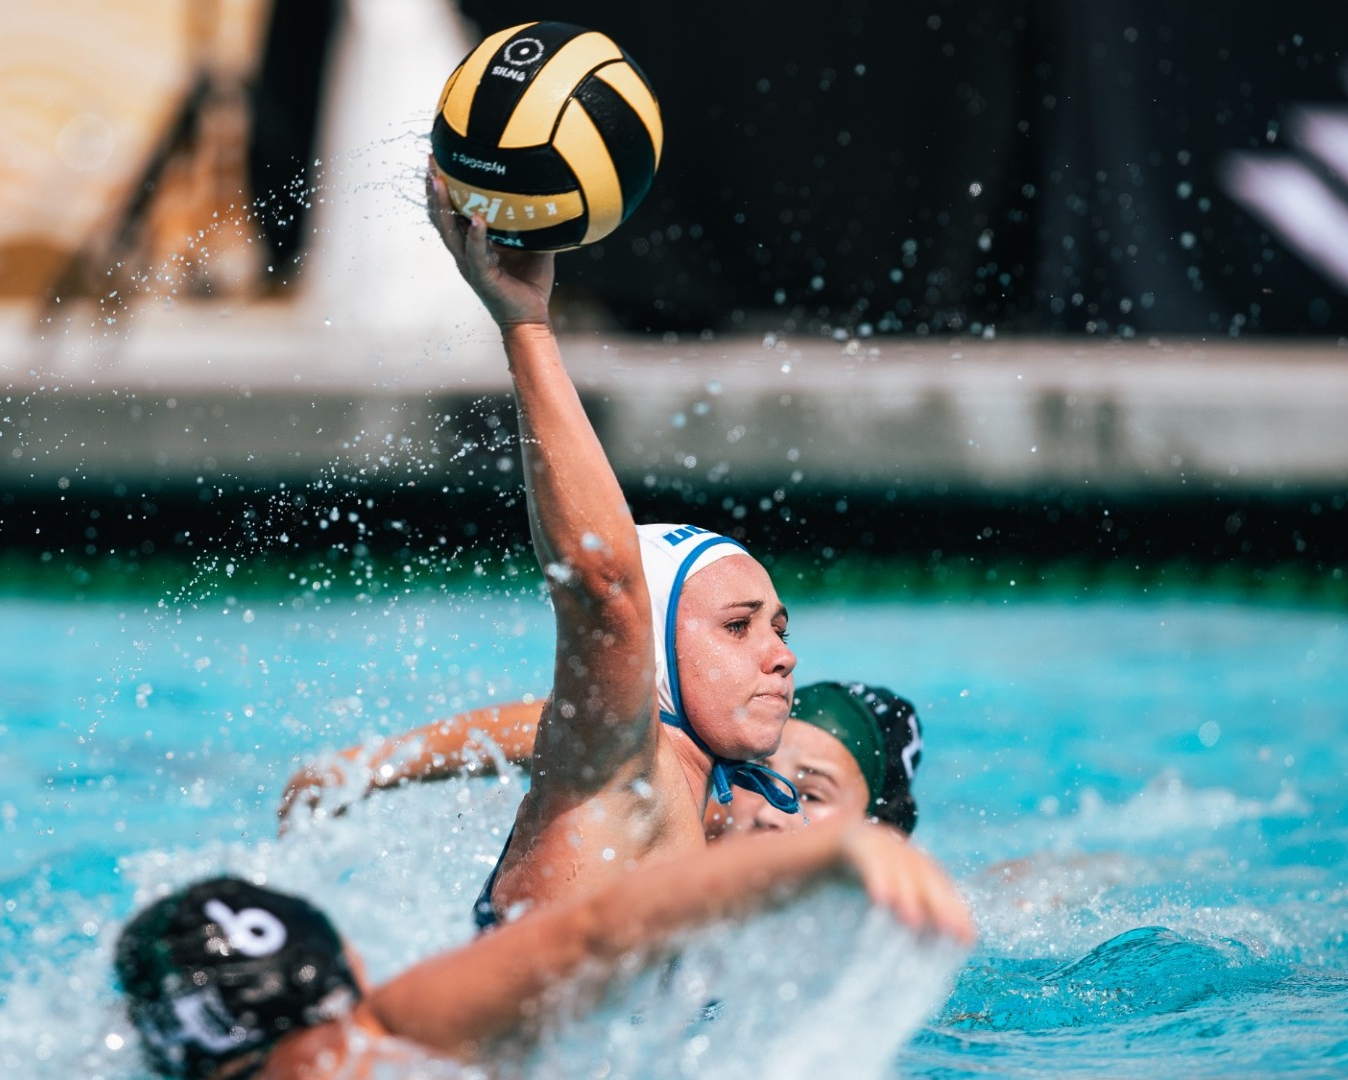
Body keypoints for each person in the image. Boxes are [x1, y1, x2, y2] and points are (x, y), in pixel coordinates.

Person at [421, 163, 801, 930]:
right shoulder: (624, 775)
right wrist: (525, 324)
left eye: (779, 628)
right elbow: (604, 585)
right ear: (648, 652)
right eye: (738, 626)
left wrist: (382, 765)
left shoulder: (704, 800)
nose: (781, 656)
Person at [115, 816, 974, 1080]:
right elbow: (604, 928)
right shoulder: (391, 1034)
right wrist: (833, 848)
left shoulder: (408, 1030)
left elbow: (605, 928)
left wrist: (832, 851)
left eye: (324, 1048)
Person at [280, 680, 924, 840]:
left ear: (880, 831)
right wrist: (371, 766)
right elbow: (599, 732)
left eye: (811, 794)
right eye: (757, 777)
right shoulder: (684, 830)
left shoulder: (888, 943)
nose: (771, 810)